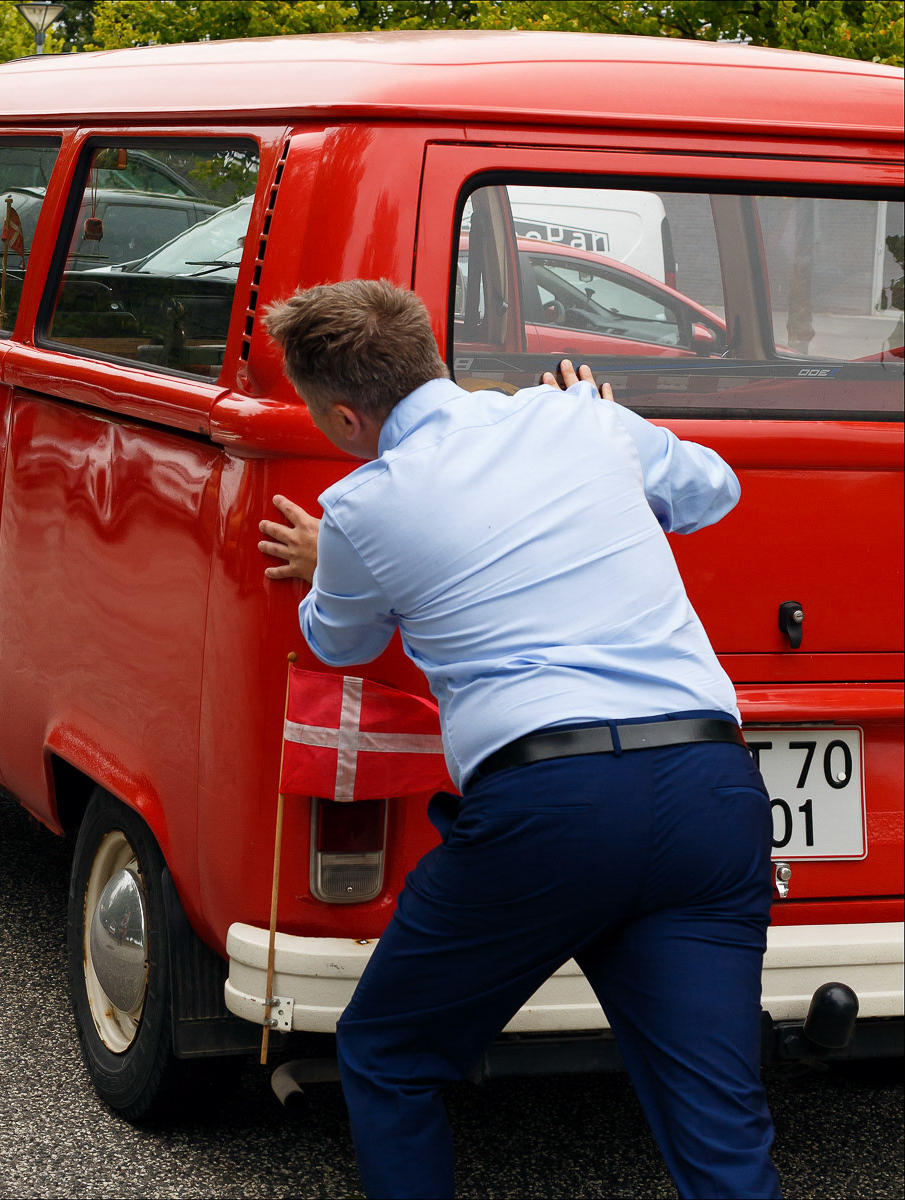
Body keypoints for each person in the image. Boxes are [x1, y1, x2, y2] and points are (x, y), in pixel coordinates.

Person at [257, 279, 780, 1200]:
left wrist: (322, 562)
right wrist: (608, 445)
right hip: (710, 788)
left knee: (389, 1050)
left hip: (553, 807)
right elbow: (715, 489)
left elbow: (339, 643)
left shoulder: (361, 510)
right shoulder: (580, 419)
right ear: (432, 356)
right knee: (718, 1127)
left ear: (342, 415)